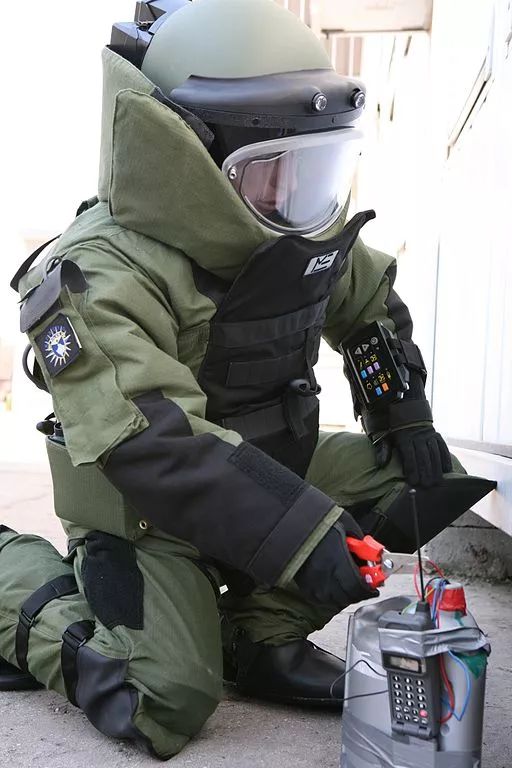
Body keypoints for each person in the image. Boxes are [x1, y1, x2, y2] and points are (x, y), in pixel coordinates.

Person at [1, 0, 495, 759]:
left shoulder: (289, 228)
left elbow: (367, 300)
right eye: (273, 170)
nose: (296, 194)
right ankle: (12, 579)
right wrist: (302, 535)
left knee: (418, 484)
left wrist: (404, 414)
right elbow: (150, 442)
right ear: (185, 157)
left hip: (267, 462)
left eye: (313, 166)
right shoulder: (97, 273)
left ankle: (254, 635)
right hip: (145, 507)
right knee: (160, 700)